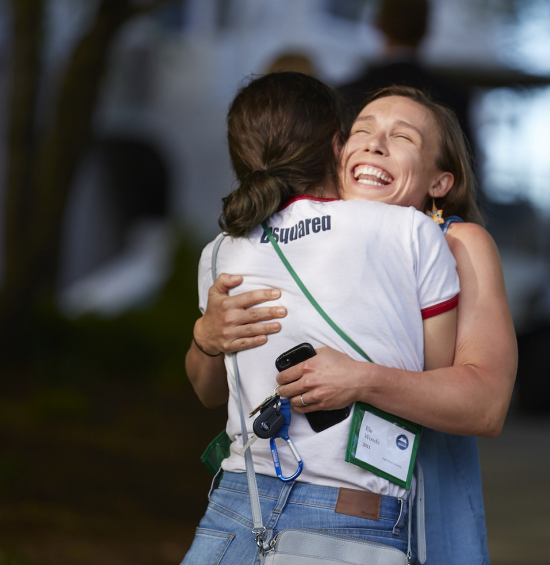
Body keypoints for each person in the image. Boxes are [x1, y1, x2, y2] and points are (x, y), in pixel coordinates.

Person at [188, 85, 516, 563]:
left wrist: (361, 380)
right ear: (338, 152)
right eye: (362, 131)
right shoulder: (286, 238)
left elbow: (486, 405)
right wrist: (205, 340)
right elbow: (211, 388)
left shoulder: (456, 242)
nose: (375, 144)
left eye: (402, 138)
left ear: (440, 182)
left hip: (408, 497)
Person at [339, 0, 474, 150]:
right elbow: (467, 163)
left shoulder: (346, 93)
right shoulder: (453, 97)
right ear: (426, 29)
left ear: (378, 25)